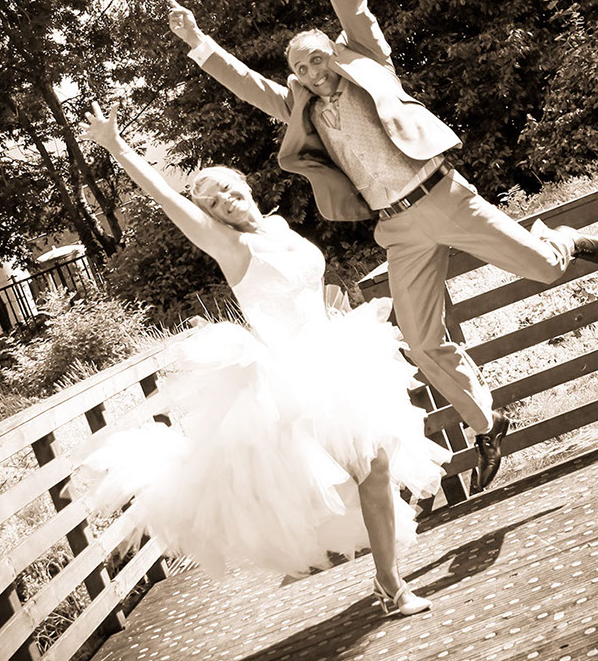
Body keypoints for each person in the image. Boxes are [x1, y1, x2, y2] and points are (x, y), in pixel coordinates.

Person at [167, 0, 598, 493]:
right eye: (301, 68)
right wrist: (198, 42)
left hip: (445, 196)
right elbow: (249, 85)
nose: (313, 71)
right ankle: (488, 423)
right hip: (398, 229)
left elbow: (351, 5)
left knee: (541, 268)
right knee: (422, 338)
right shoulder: (303, 109)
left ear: (334, 53)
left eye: (317, 58)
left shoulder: (370, 63)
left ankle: (560, 240)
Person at [77, 101, 453, 616]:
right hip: (294, 379)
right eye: (213, 202)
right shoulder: (230, 246)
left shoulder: (277, 228)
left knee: (376, 469)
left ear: (244, 184)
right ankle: (388, 585)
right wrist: (118, 148)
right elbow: (165, 196)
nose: (225, 201)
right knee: (369, 469)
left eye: (227, 189)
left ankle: (387, 582)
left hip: (337, 357)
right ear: (210, 216)